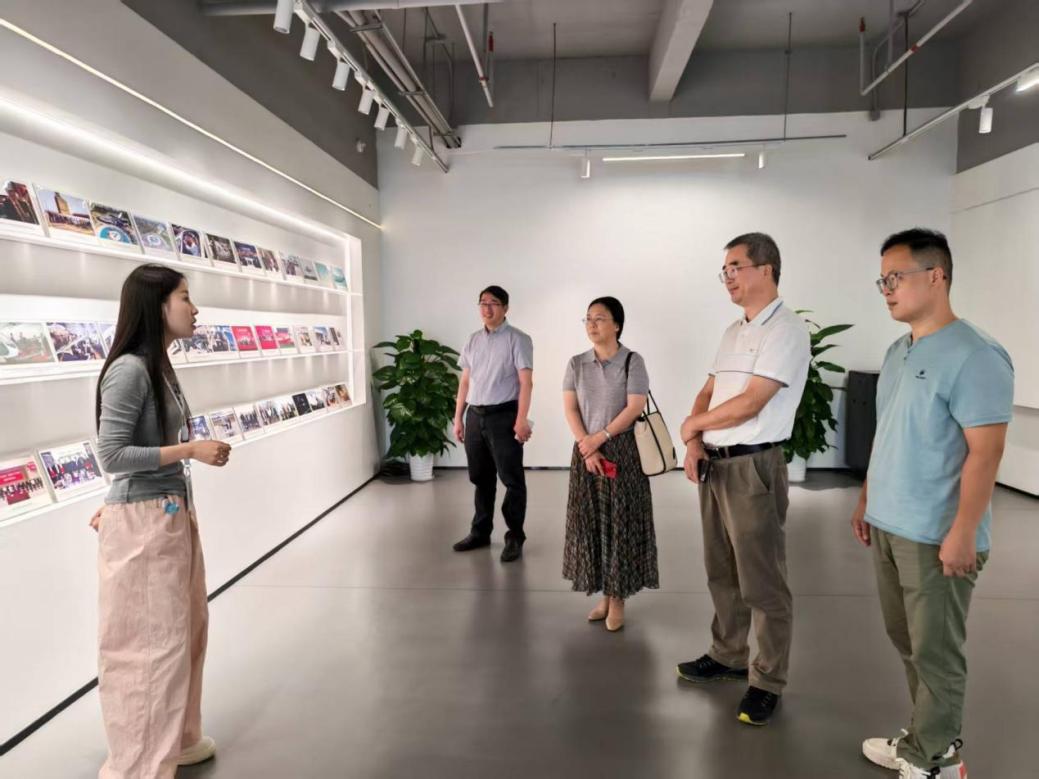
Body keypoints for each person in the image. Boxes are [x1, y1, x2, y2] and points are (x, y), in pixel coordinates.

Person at [853, 229, 1013, 779]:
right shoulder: (899, 351)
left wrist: (964, 531)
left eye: (895, 278)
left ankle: (940, 760)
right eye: (882, 280)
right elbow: (889, 434)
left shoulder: (976, 355)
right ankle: (924, 738)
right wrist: (867, 498)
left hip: (936, 534)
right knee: (908, 643)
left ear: (936, 276)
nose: (886, 290)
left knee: (937, 652)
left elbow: (986, 452)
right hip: (890, 524)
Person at [91, 264, 231, 778]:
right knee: (148, 645)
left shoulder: (159, 366)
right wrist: (190, 450)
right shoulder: (130, 370)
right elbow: (112, 454)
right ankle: (138, 765)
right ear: (157, 306)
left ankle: (177, 739)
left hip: (166, 513)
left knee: (184, 631)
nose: (194, 309)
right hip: (147, 521)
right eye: (185, 298)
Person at [675, 232, 810, 726]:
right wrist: (694, 439)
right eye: (725, 269)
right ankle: (728, 654)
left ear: (766, 269)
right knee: (721, 570)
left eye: (736, 267)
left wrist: (693, 425)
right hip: (715, 464)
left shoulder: (786, 331)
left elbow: (752, 403)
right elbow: (709, 391)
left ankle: (767, 680)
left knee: (762, 579)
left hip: (753, 466)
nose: (727, 277)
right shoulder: (734, 330)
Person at [562, 297, 658, 632]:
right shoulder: (576, 363)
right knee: (593, 524)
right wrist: (588, 447)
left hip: (623, 451)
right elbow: (571, 408)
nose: (591, 324)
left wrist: (600, 437)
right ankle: (604, 594)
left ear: (617, 324)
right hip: (586, 452)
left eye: (600, 318)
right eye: (588, 318)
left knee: (620, 525)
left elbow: (635, 407)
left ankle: (618, 599)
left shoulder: (632, 361)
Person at [452, 285, 534, 562]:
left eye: (494, 303)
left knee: (511, 478)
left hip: (504, 416)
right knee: (480, 477)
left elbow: (526, 383)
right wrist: (458, 417)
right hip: (475, 416)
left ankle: (515, 536)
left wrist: (521, 419)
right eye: (483, 303)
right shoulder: (473, 340)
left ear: (505, 308)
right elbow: (465, 382)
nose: (487, 308)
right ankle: (480, 532)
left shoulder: (518, 339)